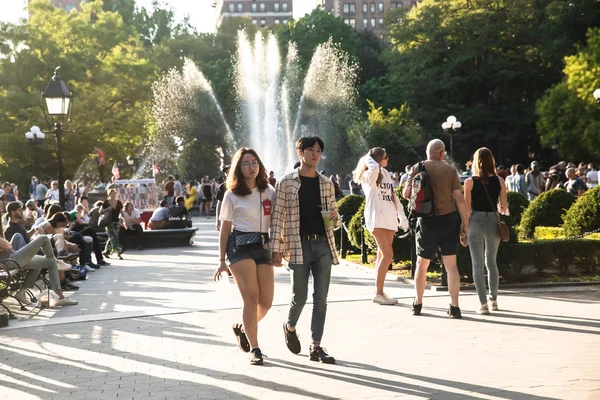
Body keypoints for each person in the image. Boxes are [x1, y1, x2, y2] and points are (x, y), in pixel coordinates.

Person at [271, 136, 341, 364]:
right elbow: (277, 217)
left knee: (321, 297)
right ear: (300, 152)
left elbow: (334, 218)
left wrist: (334, 218)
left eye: (318, 150)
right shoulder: (286, 182)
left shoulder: (326, 183)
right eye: (310, 150)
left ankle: (316, 346)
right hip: (297, 245)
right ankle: (289, 326)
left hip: (322, 244)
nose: (315, 154)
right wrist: (276, 248)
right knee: (299, 297)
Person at [213, 148, 276, 366]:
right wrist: (221, 261)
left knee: (266, 302)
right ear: (238, 168)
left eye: (254, 163)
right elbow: (225, 228)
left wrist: (279, 249)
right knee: (251, 296)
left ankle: (242, 328)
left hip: (263, 245)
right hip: (239, 246)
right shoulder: (232, 194)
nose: (251, 167)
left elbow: (278, 220)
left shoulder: (269, 190)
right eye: (246, 163)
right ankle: (255, 349)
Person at [402, 139, 468, 318]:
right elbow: (460, 200)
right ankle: (454, 307)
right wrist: (465, 226)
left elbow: (406, 194)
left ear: (427, 152)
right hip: (449, 220)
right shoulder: (450, 170)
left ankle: (418, 303)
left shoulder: (418, 167)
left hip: (426, 221)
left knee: (421, 265)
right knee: (451, 267)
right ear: (442, 153)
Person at [353, 148, 409, 305]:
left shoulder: (385, 173)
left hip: (389, 217)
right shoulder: (367, 175)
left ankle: (380, 291)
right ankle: (378, 293)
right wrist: (370, 158)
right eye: (385, 157)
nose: (388, 159)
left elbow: (392, 196)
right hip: (376, 218)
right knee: (388, 254)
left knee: (381, 255)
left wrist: (402, 217)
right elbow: (373, 169)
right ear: (376, 160)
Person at [463, 148, 509, 315]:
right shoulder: (500, 181)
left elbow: (467, 209)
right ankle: (494, 300)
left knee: (477, 264)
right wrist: (499, 208)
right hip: (493, 222)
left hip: (475, 221)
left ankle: (483, 304)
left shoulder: (469, 182)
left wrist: (464, 228)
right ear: (492, 161)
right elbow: (503, 207)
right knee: (491, 263)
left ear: (475, 161)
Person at [100, 189, 125, 259]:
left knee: (112, 238)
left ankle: (106, 252)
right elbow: (100, 212)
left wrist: (125, 221)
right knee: (115, 237)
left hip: (116, 223)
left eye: (115, 193)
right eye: (112, 193)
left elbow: (122, 212)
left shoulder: (119, 202)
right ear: (109, 194)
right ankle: (119, 253)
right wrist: (107, 209)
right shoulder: (106, 202)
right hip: (108, 223)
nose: (113, 195)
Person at [216, 167, 230, 232]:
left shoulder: (241, 186)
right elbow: (219, 204)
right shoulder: (222, 187)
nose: (228, 174)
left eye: (229, 171)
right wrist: (218, 220)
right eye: (226, 172)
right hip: (226, 217)